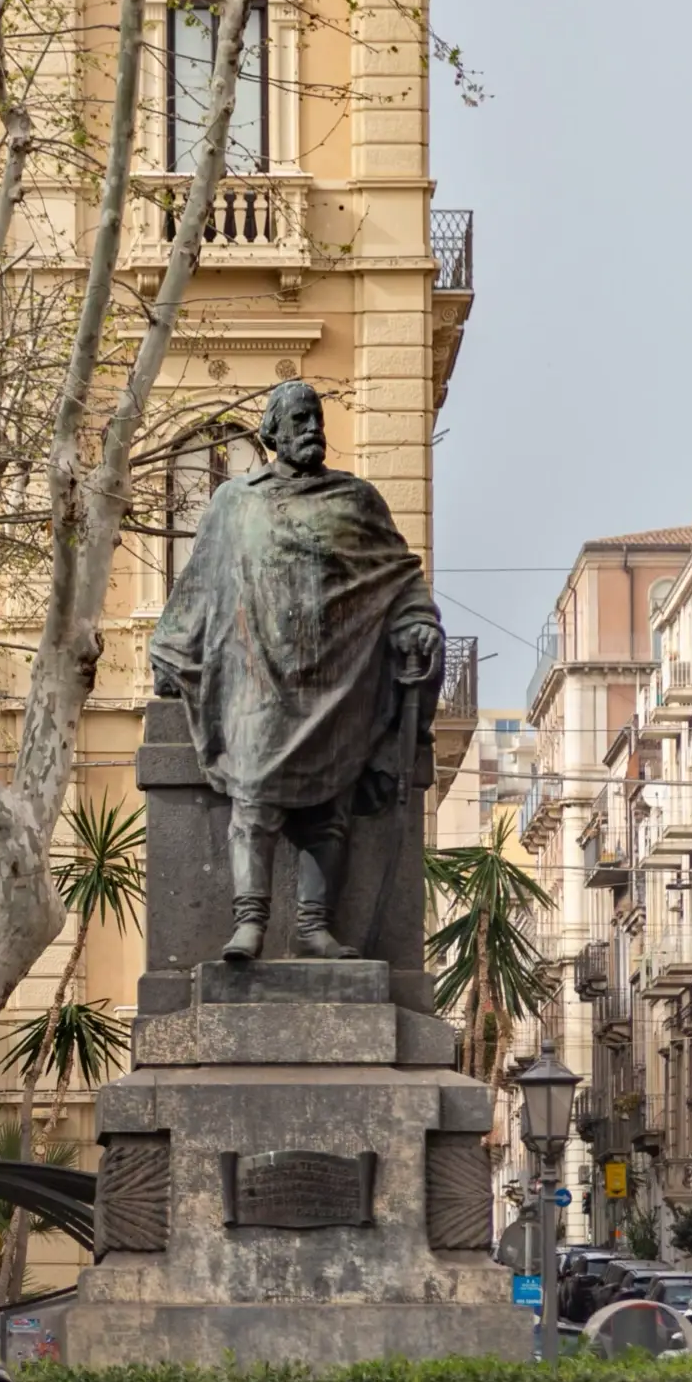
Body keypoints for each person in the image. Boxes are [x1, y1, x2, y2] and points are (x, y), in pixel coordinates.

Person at [149, 376, 444, 962]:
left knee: (329, 810)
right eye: (299, 420)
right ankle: (249, 922)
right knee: (254, 797)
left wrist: (417, 624)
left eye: (317, 419)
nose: (312, 429)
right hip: (257, 674)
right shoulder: (234, 501)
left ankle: (313, 927)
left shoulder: (355, 499)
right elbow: (202, 580)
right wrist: (174, 650)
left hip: (338, 677)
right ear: (272, 432)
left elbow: (399, 579)